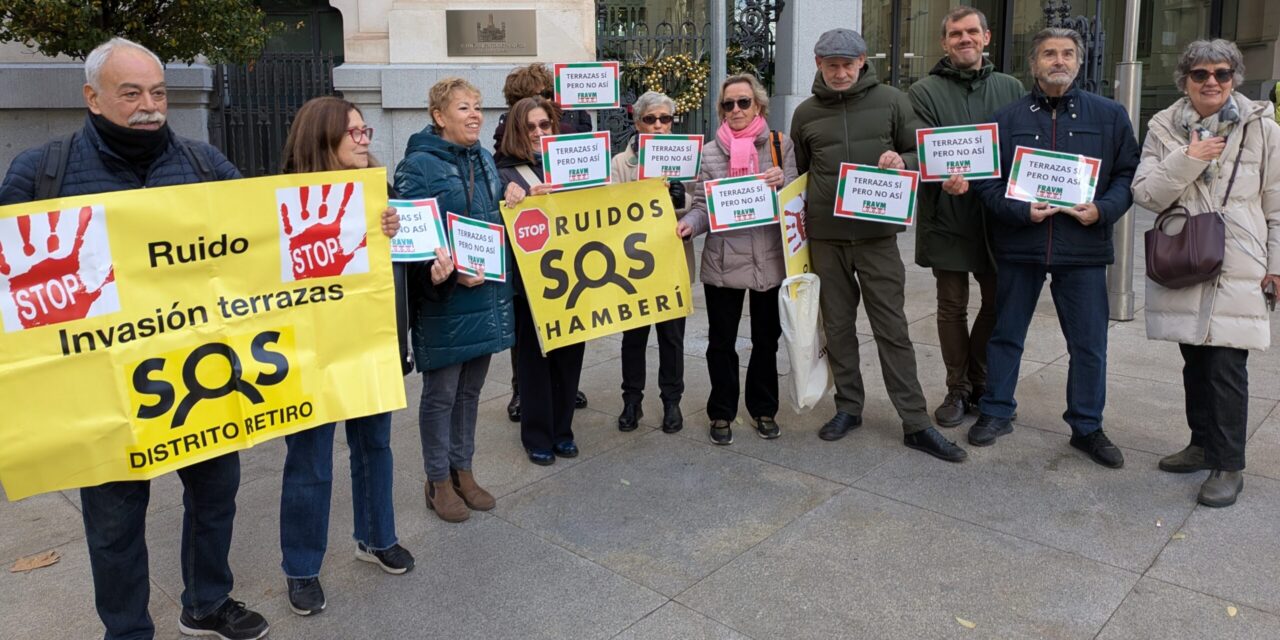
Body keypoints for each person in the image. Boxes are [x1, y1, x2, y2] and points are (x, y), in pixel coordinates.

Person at [0, 37, 269, 640]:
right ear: (92, 98)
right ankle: (126, 631)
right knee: (115, 521)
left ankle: (206, 603)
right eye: (132, 93)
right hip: (102, 392)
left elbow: (264, 239)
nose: (149, 105)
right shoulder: (42, 172)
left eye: (158, 92)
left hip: (199, 377)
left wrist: (372, 226)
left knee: (215, 496)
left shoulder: (204, 164)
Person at [275, 96, 451, 615]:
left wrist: (431, 273)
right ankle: (302, 568)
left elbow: (405, 271)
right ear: (321, 138)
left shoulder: (384, 193)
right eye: (351, 132)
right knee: (310, 461)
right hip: (312, 354)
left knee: (375, 446)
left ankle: (376, 538)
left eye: (364, 129)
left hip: (375, 344)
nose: (363, 138)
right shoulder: (282, 199)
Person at [790, 28, 968, 462]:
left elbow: (920, 152)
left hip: (877, 237)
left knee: (892, 329)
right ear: (818, 64)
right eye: (831, 64)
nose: (839, 72)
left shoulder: (891, 100)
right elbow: (801, 173)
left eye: (847, 64)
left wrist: (902, 160)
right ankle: (849, 407)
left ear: (862, 61)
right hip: (827, 239)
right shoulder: (805, 113)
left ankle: (915, 422)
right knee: (838, 329)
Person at [970, 28, 1140, 467]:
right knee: (1006, 335)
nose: (1058, 61)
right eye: (1049, 54)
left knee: (1088, 344)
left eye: (1067, 53)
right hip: (1019, 245)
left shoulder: (1109, 115)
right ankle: (996, 411)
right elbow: (986, 182)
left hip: (1082, 247)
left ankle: (1087, 427)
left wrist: (1102, 210)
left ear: (1079, 63)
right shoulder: (1006, 119)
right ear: (1033, 64)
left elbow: (1128, 175)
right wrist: (1020, 212)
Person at [1133, 39, 1280, 507]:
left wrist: (1277, 266)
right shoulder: (1163, 127)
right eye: (1200, 74)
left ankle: (1228, 464)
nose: (1211, 82)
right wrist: (1190, 158)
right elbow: (1147, 193)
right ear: (1186, 80)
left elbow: (1277, 203)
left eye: (1221, 73)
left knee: (1225, 367)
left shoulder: (1264, 129)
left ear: (1234, 77)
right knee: (1195, 360)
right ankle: (1201, 444)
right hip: (1186, 254)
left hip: (1239, 261)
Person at [395, 77, 513, 522]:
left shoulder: (484, 158)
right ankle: (437, 480)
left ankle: (463, 470)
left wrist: (514, 195)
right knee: (442, 394)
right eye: (463, 108)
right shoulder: (418, 166)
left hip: (486, 294)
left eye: (478, 106)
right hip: (445, 298)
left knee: (471, 392)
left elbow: (492, 215)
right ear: (439, 116)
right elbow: (411, 238)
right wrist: (444, 272)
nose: (474, 115)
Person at [908, 8, 1024, 428]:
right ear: (944, 42)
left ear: (986, 37)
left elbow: (1020, 146)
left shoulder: (1010, 87)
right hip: (948, 212)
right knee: (951, 305)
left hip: (998, 215)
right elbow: (919, 147)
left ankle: (980, 377)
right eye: (955, 33)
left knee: (996, 302)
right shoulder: (923, 91)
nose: (964, 39)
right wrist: (941, 177)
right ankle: (958, 387)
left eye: (971, 31)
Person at [677, 73, 795, 445]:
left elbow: (795, 198)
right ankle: (722, 412)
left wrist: (782, 183)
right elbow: (702, 207)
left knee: (766, 341)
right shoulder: (711, 152)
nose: (736, 109)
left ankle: (763, 409)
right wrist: (689, 227)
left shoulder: (779, 145)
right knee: (721, 343)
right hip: (724, 261)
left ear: (758, 105)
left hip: (768, 261)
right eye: (728, 104)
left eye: (744, 102)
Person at [492, 64, 591, 422]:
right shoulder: (503, 158)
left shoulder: (570, 146)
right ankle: (525, 392)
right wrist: (512, 195)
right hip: (530, 271)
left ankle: (563, 393)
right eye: (528, 116)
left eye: (544, 116)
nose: (537, 127)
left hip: (570, 267)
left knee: (568, 341)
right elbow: (494, 205)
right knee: (530, 343)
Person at [610, 91, 693, 434]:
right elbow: (611, 208)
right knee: (634, 336)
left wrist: (681, 198)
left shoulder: (688, 156)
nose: (658, 126)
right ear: (637, 121)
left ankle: (671, 401)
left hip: (671, 258)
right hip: (634, 263)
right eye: (650, 119)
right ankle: (632, 400)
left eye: (665, 119)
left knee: (672, 337)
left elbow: (698, 201)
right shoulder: (620, 162)